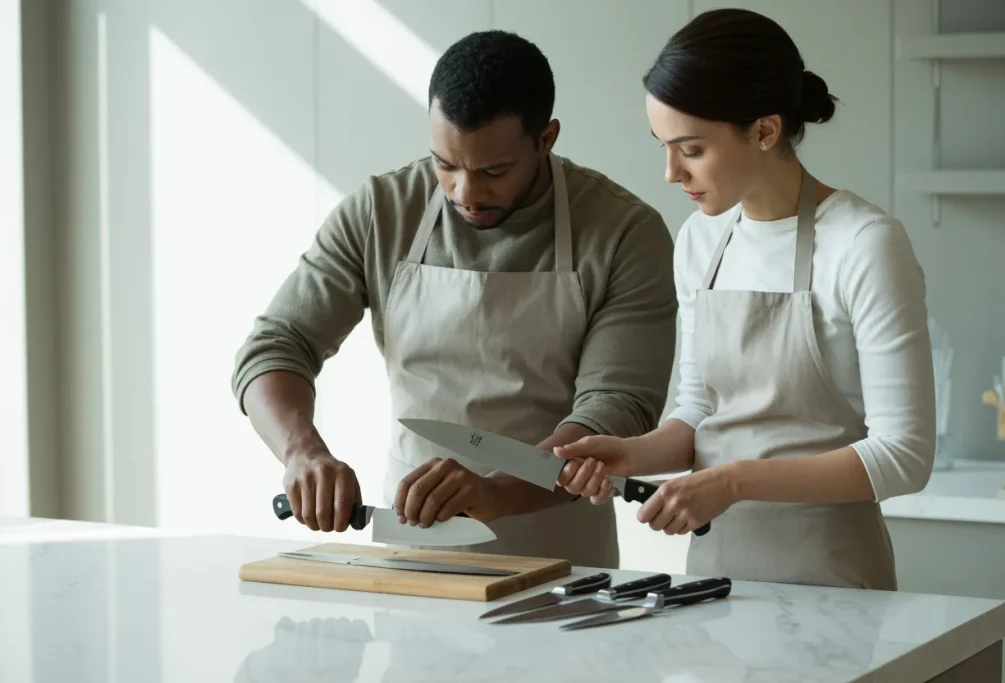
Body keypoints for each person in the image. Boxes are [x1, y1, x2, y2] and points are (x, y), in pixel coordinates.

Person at [230, 30, 678, 568]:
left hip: (559, 557)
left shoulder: (623, 231)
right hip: (414, 539)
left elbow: (616, 408)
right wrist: (302, 452)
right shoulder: (382, 211)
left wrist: (497, 492)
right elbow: (277, 345)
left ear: (546, 138)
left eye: (493, 171)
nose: (465, 193)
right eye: (445, 164)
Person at [554, 8, 936, 590]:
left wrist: (733, 482)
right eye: (662, 146)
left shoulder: (864, 245)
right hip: (715, 579)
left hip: (834, 583)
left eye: (691, 149)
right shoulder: (700, 241)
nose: (669, 172)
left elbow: (903, 455)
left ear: (764, 131)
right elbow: (699, 412)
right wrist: (632, 454)